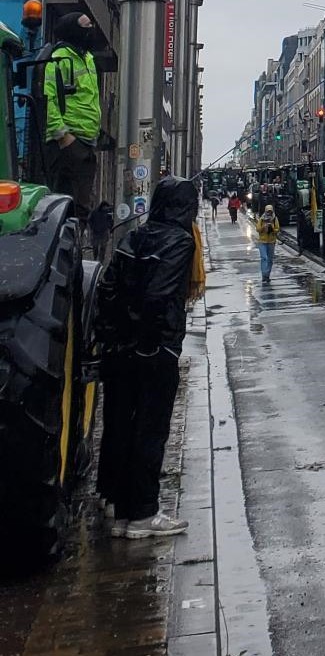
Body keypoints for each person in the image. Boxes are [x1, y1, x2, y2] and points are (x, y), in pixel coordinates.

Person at [96, 177, 204, 539]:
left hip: (122, 351)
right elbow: (159, 296)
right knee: (150, 429)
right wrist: (151, 341)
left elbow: (108, 288)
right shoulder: (180, 240)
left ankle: (121, 510)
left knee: (120, 425)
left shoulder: (134, 236)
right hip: (155, 350)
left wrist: (117, 336)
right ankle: (144, 513)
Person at [41, 12, 102, 213]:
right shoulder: (60, 59)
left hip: (86, 140)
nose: (91, 29)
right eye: (86, 26)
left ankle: (75, 241)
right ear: (73, 31)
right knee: (64, 204)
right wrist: (63, 136)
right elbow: (48, 98)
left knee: (81, 206)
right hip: (69, 142)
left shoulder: (88, 59)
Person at [254, 203, 279, 284]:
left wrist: (272, 229)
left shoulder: (275, 219)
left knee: (270, 260)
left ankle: (267, 275)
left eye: (270, 211)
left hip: (271, 242)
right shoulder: (261, 219)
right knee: (264, 258)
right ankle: (264, 274)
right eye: (268, 211)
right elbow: (257, 229)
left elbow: (277, 229)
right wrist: (263, 227)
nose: (269, 213)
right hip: (262, 242)